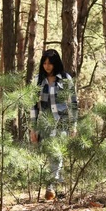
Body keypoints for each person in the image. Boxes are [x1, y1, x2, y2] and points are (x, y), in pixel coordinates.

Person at [30, 49, 78, 201]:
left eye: (50, 63)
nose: (47, 66)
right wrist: (33, 128)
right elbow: (33, 106)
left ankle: (51, 186)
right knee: (50, 153)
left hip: (62, 121)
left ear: (56, 63)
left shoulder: (66, 78)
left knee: (56, 151)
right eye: (44, 63)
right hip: (45, 122)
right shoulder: (37, 80)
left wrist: (73, 125)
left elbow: (74, 103)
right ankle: (57, 183)